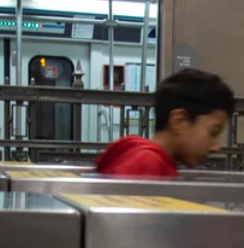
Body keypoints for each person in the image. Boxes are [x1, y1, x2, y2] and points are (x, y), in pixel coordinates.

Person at [95, 68, 235, 177]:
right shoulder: (147, 163)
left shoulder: (142, 155)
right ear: (178, 121)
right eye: (213, 133)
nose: (215, 147)